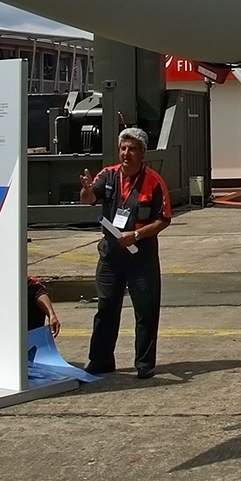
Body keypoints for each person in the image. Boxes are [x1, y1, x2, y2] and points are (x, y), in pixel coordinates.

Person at [79, 128, 172, 379]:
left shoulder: (154, 181)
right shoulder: (107, 175)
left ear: (142, 153)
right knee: (106, 308)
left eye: (131, 149)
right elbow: (89, 198)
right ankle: (100, 361)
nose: (125, 153)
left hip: (141, 255)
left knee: (146, 310)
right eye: (123, 148)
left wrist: (138, 235)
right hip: (111, 255)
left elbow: (164, 219)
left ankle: (144, 364)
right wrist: (86, 190)